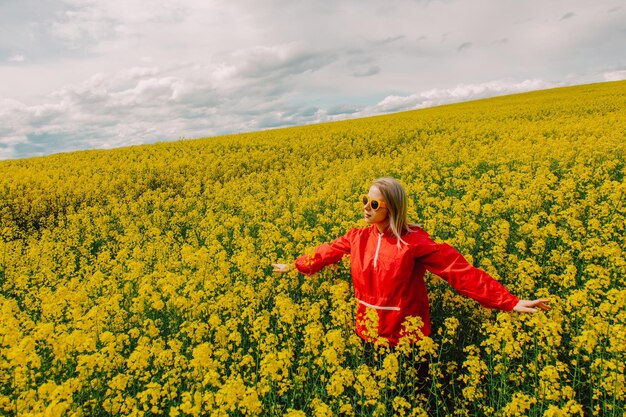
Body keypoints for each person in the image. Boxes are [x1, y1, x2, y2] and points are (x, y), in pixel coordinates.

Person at [272, 176, 550, 349]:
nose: (366, 208)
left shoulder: (414, 242)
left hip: (407, 336)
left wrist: (508, 301)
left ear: (392, 207)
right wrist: (295, 266)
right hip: (367, 332)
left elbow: (459, 272)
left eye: (375, 204)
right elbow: (326, 252)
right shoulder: (357, 238)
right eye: (365, 201)